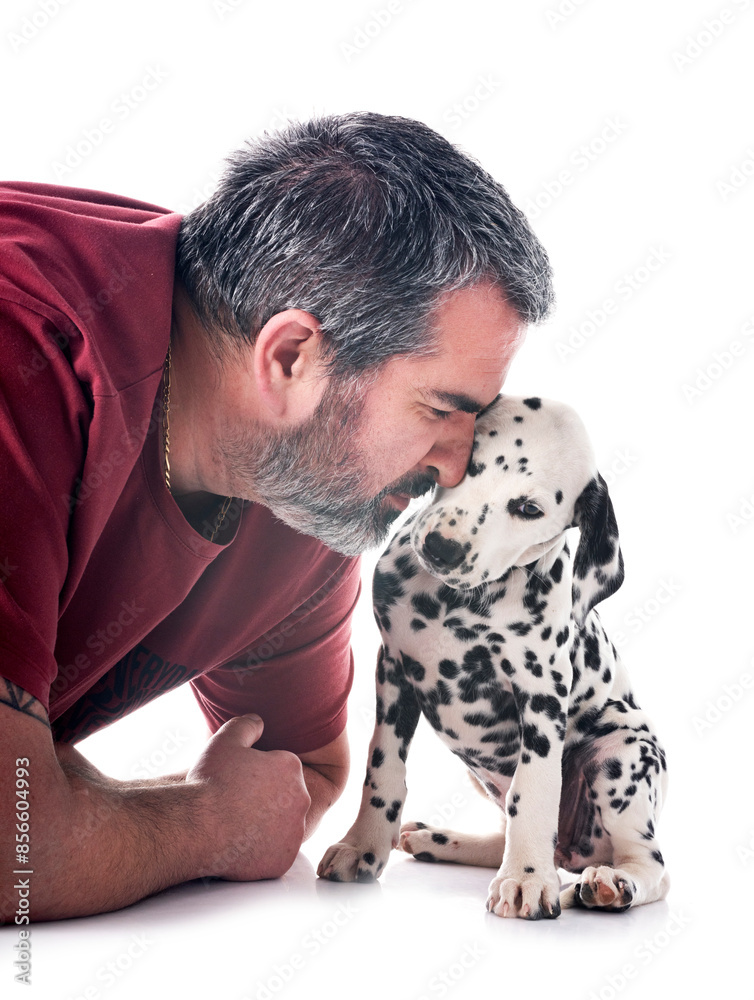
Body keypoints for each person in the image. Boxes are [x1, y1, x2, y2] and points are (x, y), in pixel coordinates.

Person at [0, 112, 553, 922]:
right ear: (290, 357)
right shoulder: (27, 349)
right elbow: (17, 848)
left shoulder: (302, 496)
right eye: (440, 410)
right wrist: (205, 827)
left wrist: (69, 798)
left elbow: (293, 779)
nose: (459, 468)